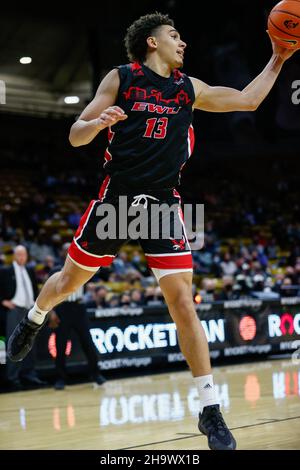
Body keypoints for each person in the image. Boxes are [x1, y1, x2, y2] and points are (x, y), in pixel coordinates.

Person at [8, 12, 297, 449]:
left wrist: (277, 59)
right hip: (117, 200)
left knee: (183, 300)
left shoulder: (188, 88)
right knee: (68, 281)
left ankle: (210, 408)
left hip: (164, 201)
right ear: (151, 43)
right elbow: (75, 134)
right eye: (175, 36)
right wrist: (99, 123)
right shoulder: (121, 78)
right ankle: (34, 318)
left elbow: (247, 100)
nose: (183, 43)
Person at [48, 244, 106, 390]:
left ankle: (96, 374)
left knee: (88, 342)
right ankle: (60, 378)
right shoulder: (56, 270)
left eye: (70, 249)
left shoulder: (82, 266)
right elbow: (49, 292)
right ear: (61, 253)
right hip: (62, 309)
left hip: (79, 308)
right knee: (60, 346)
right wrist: (52, 312)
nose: (68, 252)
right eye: (65, 250)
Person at [0, 245, 47, 390]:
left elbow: (34, 289)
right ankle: (12, 378)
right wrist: (2, 300)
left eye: (24, 255)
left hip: (29, 310)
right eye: (19, 254)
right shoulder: (5, 270)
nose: (21, 257)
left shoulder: (30, 270)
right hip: (14, 310)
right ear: (14, 256)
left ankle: (29, 375)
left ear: (27, 256)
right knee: (13, 344)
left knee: (30, 343)